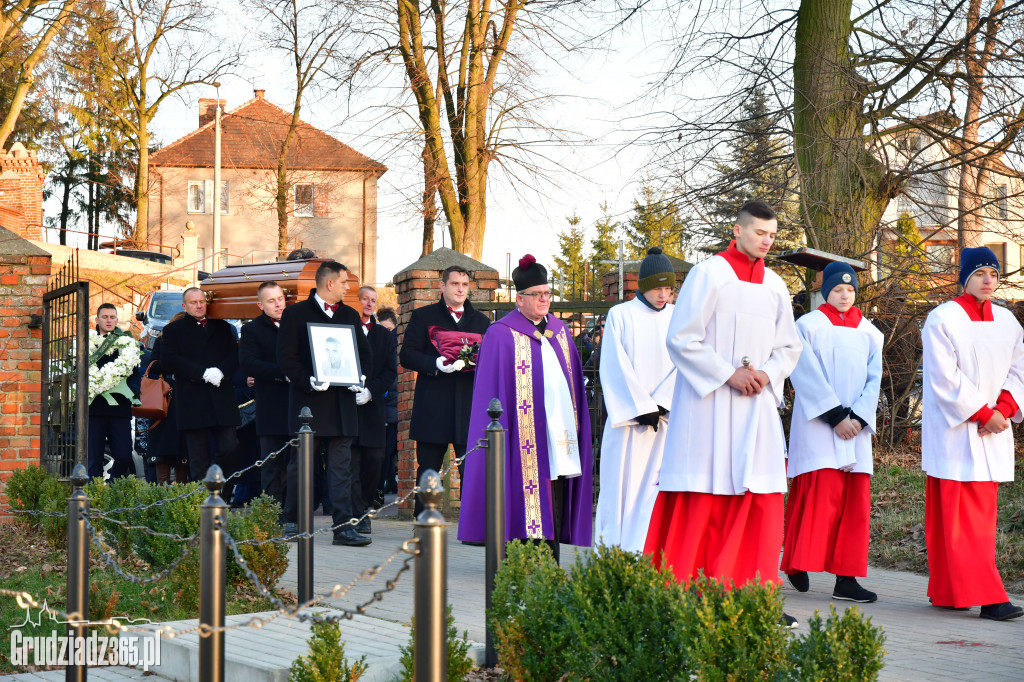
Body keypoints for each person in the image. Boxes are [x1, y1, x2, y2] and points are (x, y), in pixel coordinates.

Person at [642, 201, 802, 627]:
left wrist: (766, 374)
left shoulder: (774, 284)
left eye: (771, 234)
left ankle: (756, 594)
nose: (766, 241)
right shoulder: (709, 273)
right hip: (710, 405)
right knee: (706, 497)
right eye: (759, 233)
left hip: (756, 407)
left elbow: (789, 346)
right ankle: (690, 592)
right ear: (738, 230)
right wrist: (728, 374)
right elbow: (682, 338)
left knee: (759, 497)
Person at [458, 255, 593, 563]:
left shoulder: (558, 331)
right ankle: (520, 559)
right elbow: (491, 391)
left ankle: (550, 558)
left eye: (547, 293)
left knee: (555, 489)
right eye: (537, 294)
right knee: (524, 492)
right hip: (522, 433)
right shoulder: (501, 334)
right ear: (519, 299)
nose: (545, 299)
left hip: (558, 430)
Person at [920, 247, 1024, 621]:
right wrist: (982, 412)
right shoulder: (942, 318)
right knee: (955, 519)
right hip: (956, 433)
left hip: (992, 431)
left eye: (993, 274)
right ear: (965, 276)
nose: (987, 280)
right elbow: (943, 377)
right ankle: (990, 597)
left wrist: (1004, 411)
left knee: (976, 519)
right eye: (980, 273)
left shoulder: (1008, 321)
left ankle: (950, 592)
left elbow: (1019, 370)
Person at [780, 262, 884, 603]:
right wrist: (836, 415)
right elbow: (803, 373)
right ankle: (797, 562)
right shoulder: (807, 326)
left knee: (853, 504)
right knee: (818, 496)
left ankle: (847, 577)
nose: (844, 295)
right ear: (825, 292)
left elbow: (874, 379)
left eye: (850, 290)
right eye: (838, 290)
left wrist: (857, 417)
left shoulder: (870, 332)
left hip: (856, 429)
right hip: (820, 426)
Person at [277, 260, 373, 547]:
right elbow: (286, 358)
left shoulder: (350, 315)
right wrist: (307, 380)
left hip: (342, 405)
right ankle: (293, 521)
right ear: (329, 283)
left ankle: (343, 527)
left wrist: (361, 377)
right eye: (345, 282)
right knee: (301, 466)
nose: (348, 287)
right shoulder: (295, 314)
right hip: (309, 404)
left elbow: (363, 353)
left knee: (342, 468)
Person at [594, 247, 677, 553]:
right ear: (643, 286)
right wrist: (641, 407)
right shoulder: (621, 315)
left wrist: (665, 402)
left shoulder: (679, 316)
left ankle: (653, 552)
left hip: (668, 421)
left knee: (657, 490)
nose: (663, 295)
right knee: (622, 487)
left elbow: (687, 362)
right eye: (658, 288)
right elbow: (614, 364)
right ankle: (615, 553)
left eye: (668, 288)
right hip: (629, 422)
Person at [399, 265, 489, 515]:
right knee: (428, 468)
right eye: (454, 284)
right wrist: (435, 364)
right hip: (434, 405)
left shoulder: (481, 321)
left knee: (471, 467)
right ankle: (422, 522)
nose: (460, 289)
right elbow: (406, 355)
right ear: (442, 286)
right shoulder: (423, 316)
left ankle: (474, 525)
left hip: (468, 405)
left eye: (464, 284)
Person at [160, 288, 240, 481]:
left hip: (221, 397)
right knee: (197, 455)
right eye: (194, 302)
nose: (199, 306)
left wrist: (221, 371)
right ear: (184, 306)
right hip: (192, 399)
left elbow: (234, 355)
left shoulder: (222, 327)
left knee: (230, 447)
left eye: (202, 302)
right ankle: (200, 498)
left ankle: (220, 489)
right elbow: (170, 359)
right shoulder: (173, 330)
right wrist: (202, 373)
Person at [239, 281, 291, 517]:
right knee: (272, 463)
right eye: (271, 301)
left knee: (298, 464)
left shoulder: (296, 324)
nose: (278, 304)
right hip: (270, 406)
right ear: (260, 305)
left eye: (280, 298)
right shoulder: (252, 330)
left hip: (299, 405)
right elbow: (249, 364)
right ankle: (272, 516)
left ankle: (294, 514)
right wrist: (284, 373)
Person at [349, 286, 398, 533]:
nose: (369, 304)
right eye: (364, 299)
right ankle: (356, 515)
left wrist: (371, 391)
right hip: (346, 405)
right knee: (350, 462)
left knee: (375, 460)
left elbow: (390, 370)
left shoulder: (382, 334)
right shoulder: (344, 330)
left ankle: (364, 506)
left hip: (373, 406)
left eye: (372, 300)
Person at [87, 303, 140, 479]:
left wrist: (132, 392)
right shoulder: (87, 344)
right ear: (97, 319)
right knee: (93, 458)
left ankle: (112, 487)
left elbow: (134, 375)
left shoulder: (128, 344)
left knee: (124, 455)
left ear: (117, 320)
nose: (109, 320)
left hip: (120, 410)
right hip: (94, 409)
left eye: (112, 317)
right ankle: (94, 496)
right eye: (105, 317)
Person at [376, 307, 401, 497]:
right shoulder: (390, 346)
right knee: (388, 450)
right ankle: (389, 481)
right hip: (390, 405)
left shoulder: (393, 347)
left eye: (389, 329)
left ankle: (386, 483)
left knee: (388, 450)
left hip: (392, 404)